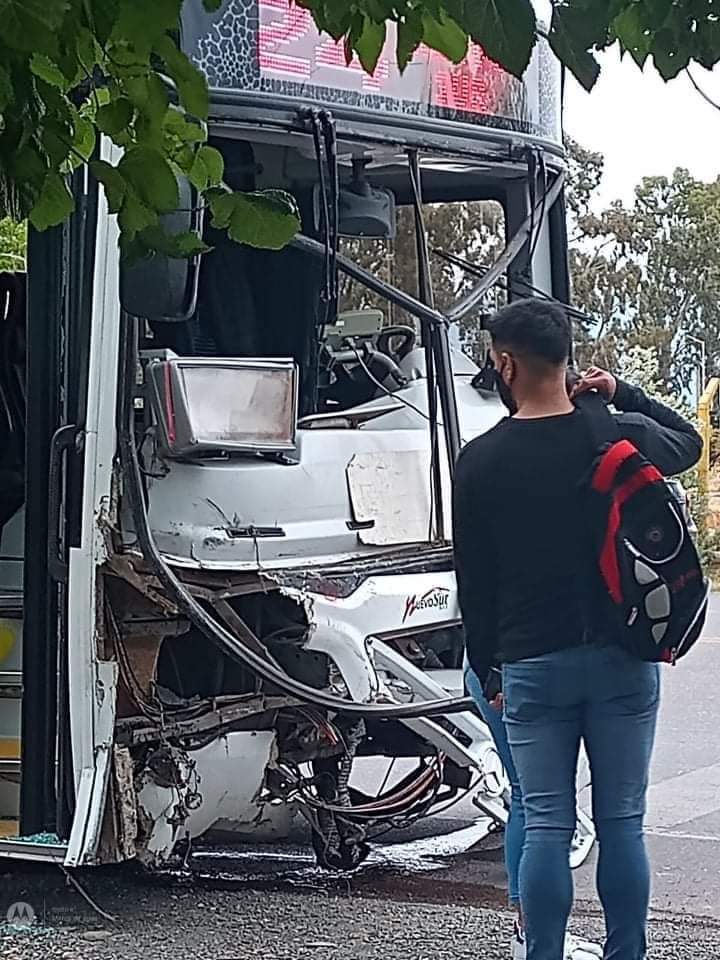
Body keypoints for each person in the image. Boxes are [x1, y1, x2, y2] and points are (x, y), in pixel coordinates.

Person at [453, 299, 702, 960]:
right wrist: (623, 393)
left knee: (545, 824)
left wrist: (489, 666)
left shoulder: (480, 461)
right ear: (566, 360)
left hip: (532, 664)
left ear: (506, 365)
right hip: (624, 658)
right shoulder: (615, 435)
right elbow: (690, 442)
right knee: (622, 825)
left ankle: (543, 953)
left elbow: (474, 581)